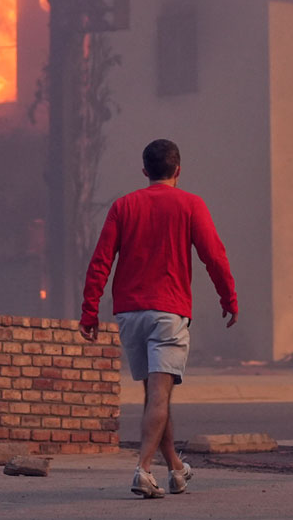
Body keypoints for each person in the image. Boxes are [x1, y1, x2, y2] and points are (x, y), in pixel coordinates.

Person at [79, 139, 239, 498]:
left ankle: (177, 470)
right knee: (159, 395)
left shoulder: (123, 206)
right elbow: (214, 255)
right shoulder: (191, 204)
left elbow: (100, 261)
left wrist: (90, 310)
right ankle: (143, 470)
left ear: (145, 170)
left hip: (130, 314)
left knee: (156, 394)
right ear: (178, 170)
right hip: (169, 311)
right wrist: (227, 297)